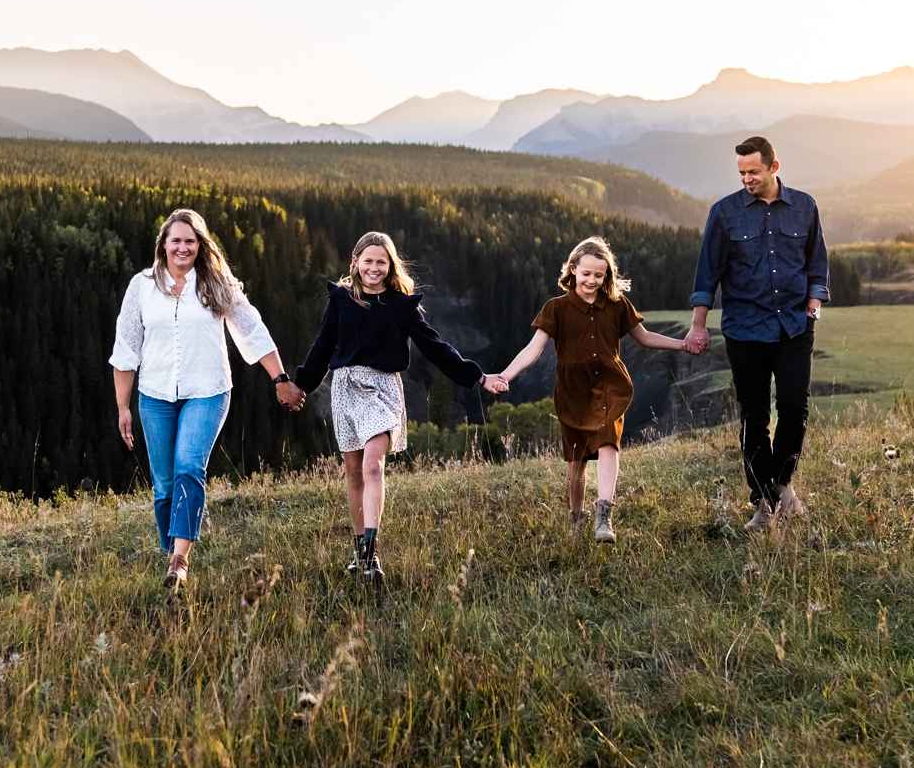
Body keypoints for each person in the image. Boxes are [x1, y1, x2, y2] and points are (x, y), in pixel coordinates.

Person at [111, 207, 306, 589]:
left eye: (190, 241)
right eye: (176, 240)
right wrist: (122, 407)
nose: (183, 248)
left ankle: (179, 562)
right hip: (154, 395)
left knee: (188, 467)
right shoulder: (142, 286)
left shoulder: (216, 282)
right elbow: (126, 348)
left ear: (200, 245)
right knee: (164, 482)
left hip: (209, 391)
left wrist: (280, 378)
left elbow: (251, 328)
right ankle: (172, 553)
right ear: (163, 245)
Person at [295, 232, 486, 585]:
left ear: (390, 265)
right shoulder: (340, 300)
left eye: (381, 262)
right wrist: (300, 384)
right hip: (346, 388)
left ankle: (371, 555)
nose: (374, 268)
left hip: (383, 389)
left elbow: (435, 346)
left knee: (372, 466)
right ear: (355, 263)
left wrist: (476, 376)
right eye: (367, 261)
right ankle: (359, 554)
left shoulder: (402, 305)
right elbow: (322, 347)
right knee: (353, 473)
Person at [489, 236, 691, 543]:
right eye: (586, 274)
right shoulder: (556, 309)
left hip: (610, 384)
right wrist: (505, 375)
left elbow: (645, 337)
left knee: (609, 442)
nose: (592, 280)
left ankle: (603, 517)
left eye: (599, 275)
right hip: (572, 391)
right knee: (576, 462)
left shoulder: (617, 305)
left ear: (607, 275)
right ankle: (576, 517)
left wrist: (684, 345)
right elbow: (532, 351)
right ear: (572, 270)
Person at [682, 135, 829, 533]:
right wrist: (698, 324)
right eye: (741, 173)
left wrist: (813, 306)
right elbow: (706, 274)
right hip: (745, 329)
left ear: (773, 168)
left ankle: (781, 486)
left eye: (754, 172)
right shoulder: (725, 213)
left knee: (795, 409)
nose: (746, 178)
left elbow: (817, 264)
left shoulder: (804, 206)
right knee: (754, 416)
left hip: (794, 327)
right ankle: (765, 501)